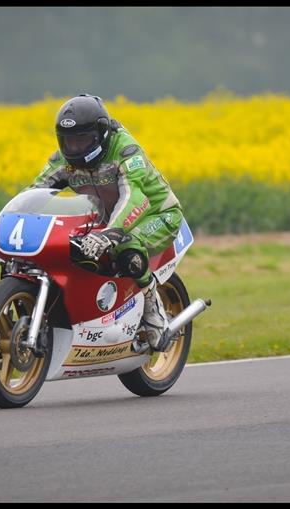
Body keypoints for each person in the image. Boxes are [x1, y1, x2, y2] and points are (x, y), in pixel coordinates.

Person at [27, 94, 183, 351]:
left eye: (82, 140)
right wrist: (6, 223)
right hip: (106, 219)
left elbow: (134, 197)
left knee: (126, 246)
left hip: (157, 215)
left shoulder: (125, 151)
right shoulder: (62, 161)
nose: (74, 148)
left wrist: (110, 233)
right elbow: (34, 193)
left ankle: (153, 309)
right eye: (68, 141)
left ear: (101, 135)